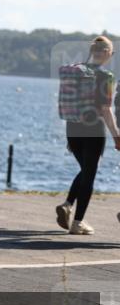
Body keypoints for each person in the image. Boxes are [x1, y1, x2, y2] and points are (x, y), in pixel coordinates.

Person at [56, 35, 120, 235]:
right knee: (89, 175)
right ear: (108, 53)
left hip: (72, 128)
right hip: (93, 131)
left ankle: (67, 204)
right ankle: (77, 223)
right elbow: (106, 110)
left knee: (85, 170)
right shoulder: (106, 76)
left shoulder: (74, 71)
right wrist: (116, 135)